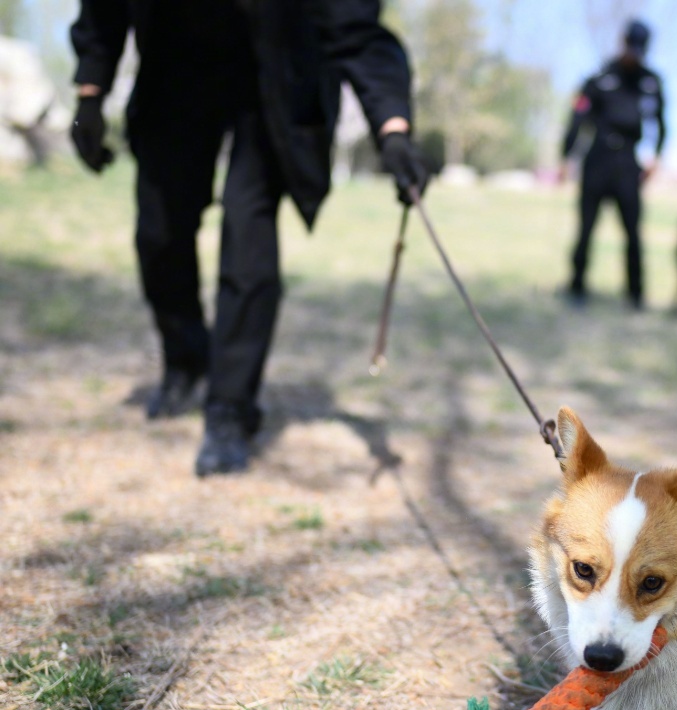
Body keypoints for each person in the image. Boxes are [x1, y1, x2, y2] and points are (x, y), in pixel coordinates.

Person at [69, 0, 430, 477]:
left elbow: (357, 30)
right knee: (160, 232)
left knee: (249, 232)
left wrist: (393, 129)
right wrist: (90, 93)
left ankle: (230, 409)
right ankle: (186, 357)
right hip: (176, 69)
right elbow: (103, 7)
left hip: (274, 80)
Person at [561, 19, 666, 310]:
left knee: (633, 232)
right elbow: (577, 119)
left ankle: (635, 294)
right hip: (598, 160)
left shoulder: (650, 82)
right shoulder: (599, 78)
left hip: (628, 163)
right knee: (586, 228)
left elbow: (661, 123)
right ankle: (576, 286)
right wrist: (566, 156)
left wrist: (656, 157)